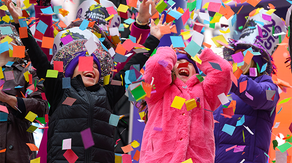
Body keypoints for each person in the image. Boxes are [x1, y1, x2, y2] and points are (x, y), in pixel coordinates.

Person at [5, 0, 171, 162]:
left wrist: (148, 32)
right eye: (84, 63)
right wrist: (22, 22)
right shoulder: (59, 88)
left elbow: (130, 66)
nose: (91, 68)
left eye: (97, 66)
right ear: (70, 69)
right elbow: (38, 56)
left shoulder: (107, 92)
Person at [139, 44, 232, 162]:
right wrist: (169, 52)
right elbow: (157, 64)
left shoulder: (206, 93)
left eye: (188, 63)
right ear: (171, 69)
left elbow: (224, 70)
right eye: (178, 62)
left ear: (196, 71)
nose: (184, 64)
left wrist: (198, 53)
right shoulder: (159, 90)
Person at [213, 8, 283, 163]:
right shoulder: (226, 87)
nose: (238, 59)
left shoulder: (270, 88)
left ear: (257, 60)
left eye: (245, 54)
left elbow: (259, 96)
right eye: (236, 54)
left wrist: (234, 79)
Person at [0, 24, 48, 162]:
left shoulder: (28, 72)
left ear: (18, 45)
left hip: (16, 153)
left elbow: (41, 109)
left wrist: (7, 99)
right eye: (0, 35)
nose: (2, 36)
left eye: (8, 34)